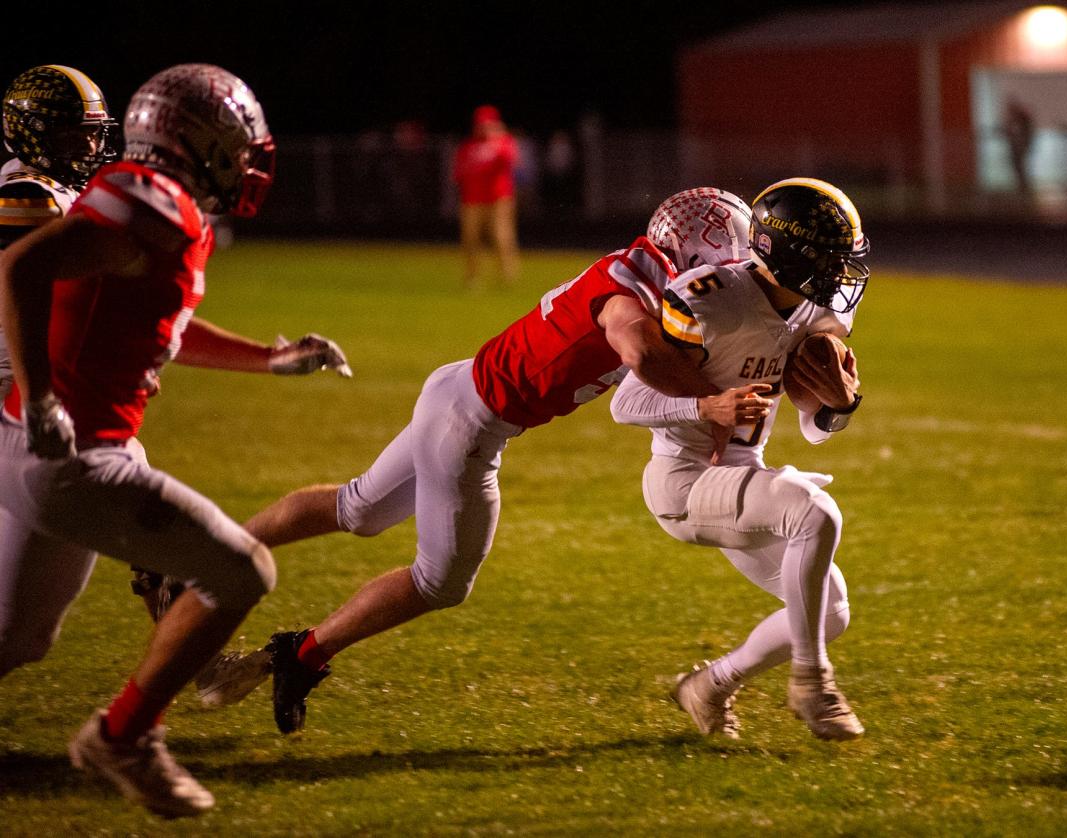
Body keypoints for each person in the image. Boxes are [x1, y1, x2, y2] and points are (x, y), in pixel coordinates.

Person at [230, 187, 753, 735]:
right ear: (695, 253)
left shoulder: (641, 269)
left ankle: (216, 549)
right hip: (472, 425)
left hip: (456, 388)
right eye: (723, 265)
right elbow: (640, 351)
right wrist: (709, 401)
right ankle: (303, 653)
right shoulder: (631, 292)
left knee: (359, 508)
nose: (724, 280)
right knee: (441, 583)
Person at [0, 63, 309, 818]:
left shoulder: (161, 207)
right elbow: (21, 265)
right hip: (69, 454)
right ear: (199, 141)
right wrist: (43, 398)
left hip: (39, 446)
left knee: (18, 637)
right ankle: (124, 736)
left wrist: (268, 359)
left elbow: (154, 321)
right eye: (237, 145)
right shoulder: (154, 203)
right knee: (242, 570)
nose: (246, 162)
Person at [610, 178, 870, 742]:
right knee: (814, 513)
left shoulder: (815, 314)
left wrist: (842, 404)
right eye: (829, 258)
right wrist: (708, 402)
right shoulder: (706, 297)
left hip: (742, 475)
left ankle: (708, 686)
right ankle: (811, 681)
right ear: (789, 250)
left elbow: (816, 423)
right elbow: (625, 403)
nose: (839, 273)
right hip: (684, 481)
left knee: (830, 611)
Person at [0, 65, 119, 402]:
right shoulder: (31, 197)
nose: (90, 145)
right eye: (73, 134)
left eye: (94, 132)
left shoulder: (27, 180)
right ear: (30, 133)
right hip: (19, 387)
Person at [452, 104, 519, 286]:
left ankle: (507, 275)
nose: (483, 128)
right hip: (472, 199)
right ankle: (472, 275)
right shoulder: (468, 146)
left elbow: (511, 160)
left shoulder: (503, 141)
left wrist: (496, 139)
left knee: (501, 236)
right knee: (470, 238)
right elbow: (458, 172)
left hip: (499, 198)